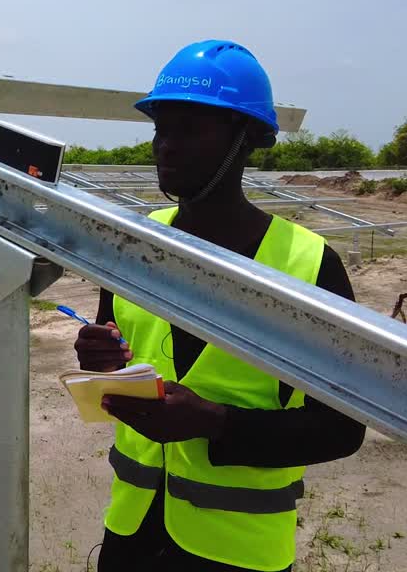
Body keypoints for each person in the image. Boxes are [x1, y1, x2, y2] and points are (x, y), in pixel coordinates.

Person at [75, 40, 366, 572]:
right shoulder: (133, 243)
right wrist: (101, 360)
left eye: (190, 129)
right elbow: (113, 351)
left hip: (238, 549)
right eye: (161, 128)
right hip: (132, 534)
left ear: (248, 139)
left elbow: (342, 430)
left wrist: (214, 422)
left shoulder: (308, 264)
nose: (166, 145)